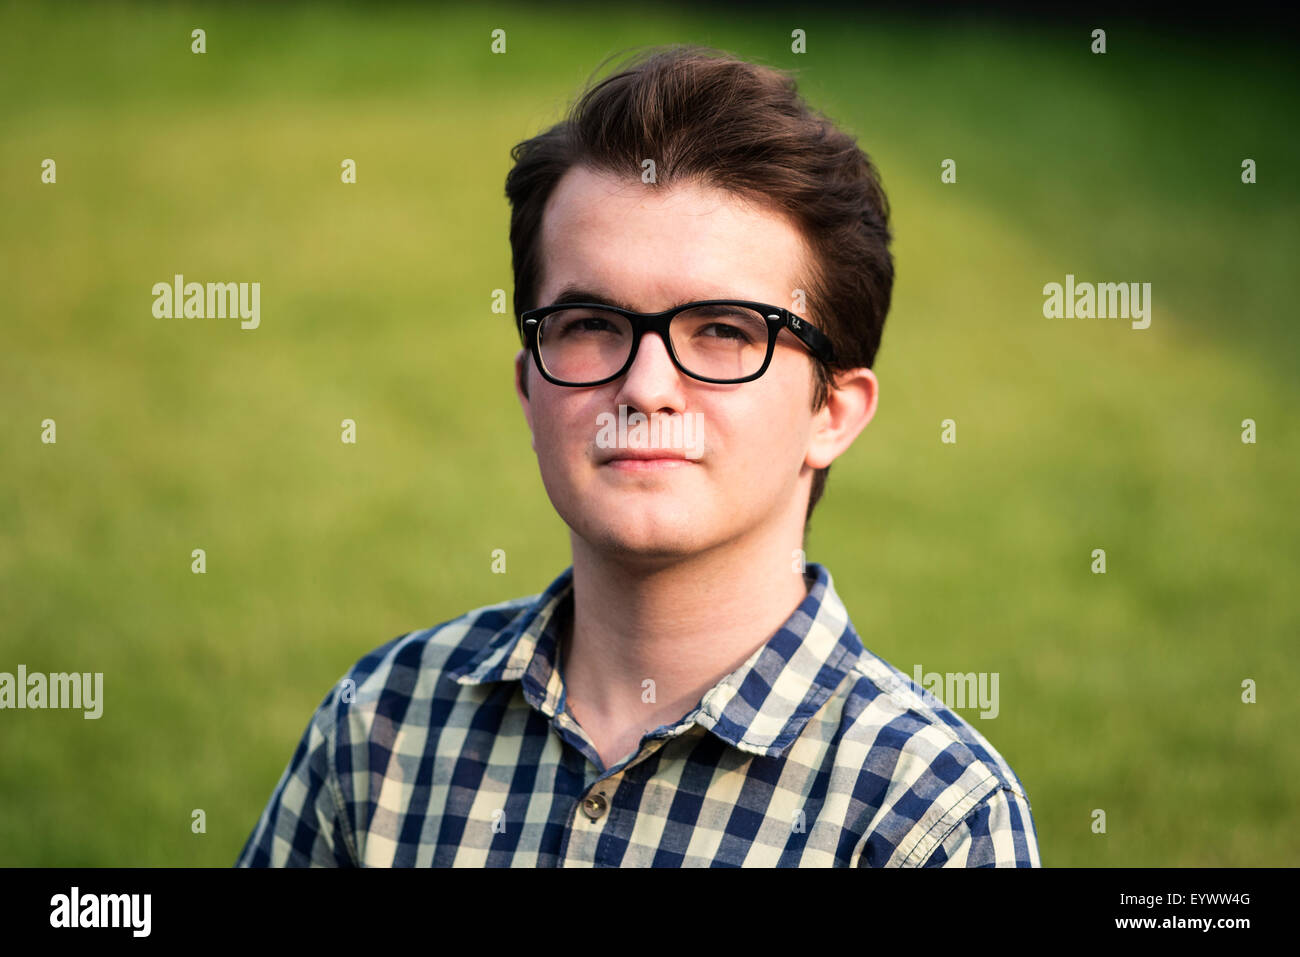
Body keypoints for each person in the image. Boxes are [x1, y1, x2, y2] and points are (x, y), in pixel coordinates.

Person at [236, 44, 1040, 867]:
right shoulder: (380, 727)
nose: (645, 386)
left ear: (831, 411)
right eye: (591, 325)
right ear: (529, 387)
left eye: (724, 330)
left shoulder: (930, 819)